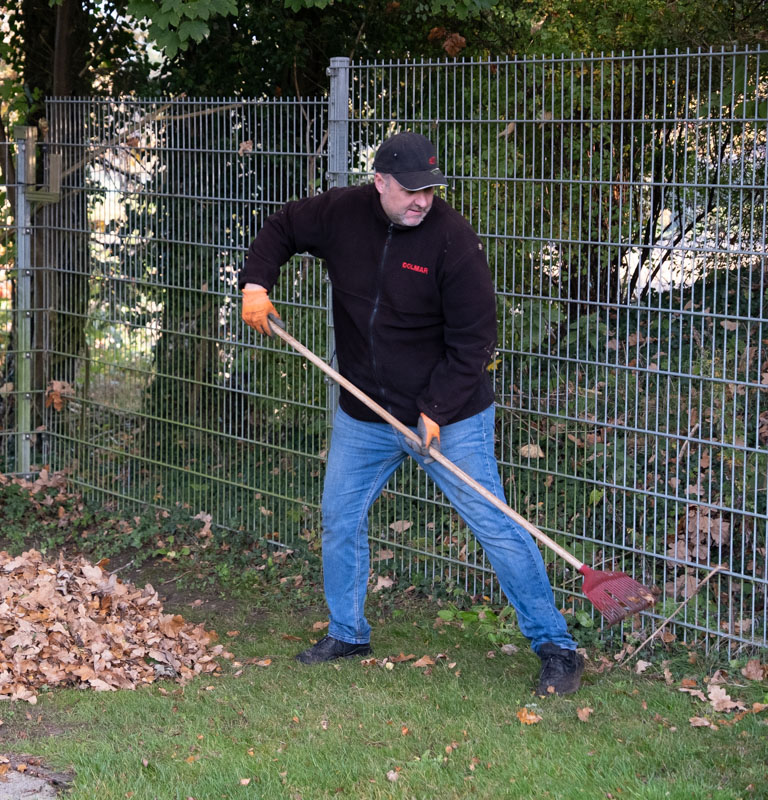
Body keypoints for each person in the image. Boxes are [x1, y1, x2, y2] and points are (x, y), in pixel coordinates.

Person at [239, 131, 584, 696]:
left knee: (497, 527)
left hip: (449, 418)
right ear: (380, 183)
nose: (423, 200)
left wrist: (435, 410)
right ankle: (348, 634)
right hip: (365, 413)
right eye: (410, 190)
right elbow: (280, 228)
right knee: (339, 518)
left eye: (430, 189)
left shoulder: (453, 241)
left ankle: (556, 647)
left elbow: (474, 341)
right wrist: (256, 283)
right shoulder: (341, 213)